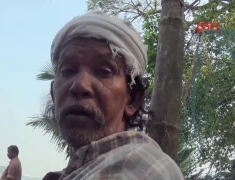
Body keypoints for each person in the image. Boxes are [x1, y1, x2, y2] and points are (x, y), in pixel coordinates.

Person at [42, 10, 184, 180]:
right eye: (68, 70)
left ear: (132, 99)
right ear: (53, 92)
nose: (80, 85)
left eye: (104, 71)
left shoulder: (146, 170)